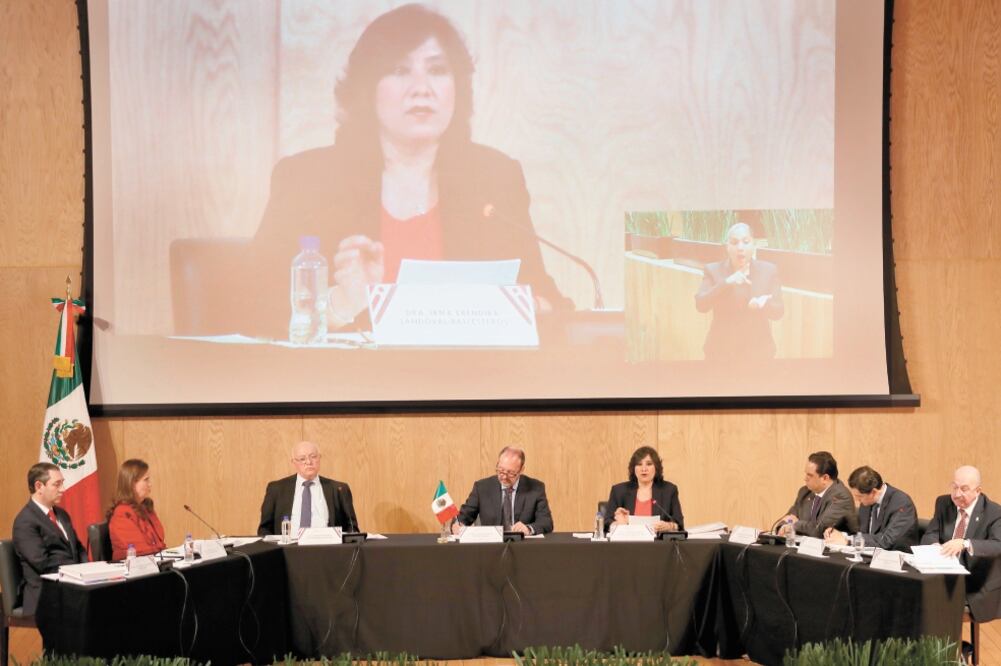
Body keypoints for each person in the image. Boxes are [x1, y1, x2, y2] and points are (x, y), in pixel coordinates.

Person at [247, 4, 571, 337]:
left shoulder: (494, 179)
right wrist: (340, 304)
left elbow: (544, 298)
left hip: (465, 383)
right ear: (367, 88)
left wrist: (531, 308)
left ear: (457, 88)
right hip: (350, 383)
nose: (422, 88)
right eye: (400, 70)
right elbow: (252, 311)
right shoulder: (308, 180)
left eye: (438, 70)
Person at [921, 465, 1001, 623]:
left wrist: (965, 543)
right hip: (942, 575)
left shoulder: (994, 512)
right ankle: (933, 647)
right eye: (954, 487)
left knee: (937, 603)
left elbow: (998, 545)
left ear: (978, 491)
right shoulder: (943, 503)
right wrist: (934, 546)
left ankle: (948, 646)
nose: (957, 494)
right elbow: (931, 533)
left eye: (964, 489)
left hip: (976, 582)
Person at [694, 222, 784, 361]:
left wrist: (763, 305)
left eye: (746, 242)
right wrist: (727, 282)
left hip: (759, 354)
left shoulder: (769, 270)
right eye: (734, 243)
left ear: (754, 245)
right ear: (727, 247)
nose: (740, 247)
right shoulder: (713, 270)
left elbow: (778, 311)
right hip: (721, 354)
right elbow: (701, 304)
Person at [12, 463, 86, 615]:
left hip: (71, 586)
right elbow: (43, 563)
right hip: (47, 593)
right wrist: (77, 573)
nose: (63, 489)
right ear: (39, 486)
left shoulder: (62, 515)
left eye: (62, 483)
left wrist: (89, 571)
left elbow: (78, 548)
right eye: (57, 484)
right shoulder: (25, 522)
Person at [258, 440, 359, 536]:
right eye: (302, 459)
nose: (309, 462)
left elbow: (352, 527)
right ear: (293, 462)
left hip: (327, 548)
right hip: (288, 549)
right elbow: (264, 529)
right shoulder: (277, 489)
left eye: (313, 457)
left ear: (319, 458)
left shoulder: (339, 489)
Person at [453, 446, 553, 535]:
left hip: (523, 548)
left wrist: (528, 529)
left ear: (521, 470)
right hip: (491, 548)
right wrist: (457, 525)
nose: (504, 477)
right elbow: (463, 518)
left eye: (511, 473)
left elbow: (546, 522)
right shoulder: (482, 487)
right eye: (500, 471)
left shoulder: (536, 488)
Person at [823, 465, 918, 551]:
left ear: (874, 492)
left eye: (859, 497)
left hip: (896, 560)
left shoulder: (901, 503)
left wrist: (848, 540)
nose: (857, 500)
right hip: (870, 556)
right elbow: (864, 534)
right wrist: (841, 536)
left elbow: (886, 541)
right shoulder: (867, 501)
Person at [603, 446, 683, 533]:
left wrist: (669, 526)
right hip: (627, 543)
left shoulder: (669, 490)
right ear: (633, 468)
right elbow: (606, 524)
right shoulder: (619, 491)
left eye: (649, 464)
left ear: (656, 467)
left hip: (658, 545)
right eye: (639, 464)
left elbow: (679, 524)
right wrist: (619, 524)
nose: (644, 469)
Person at [778, 451, 857, 538]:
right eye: (806, 474)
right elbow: (788, 518)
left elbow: (819, 530)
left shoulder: (840, 496)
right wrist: (785, 525)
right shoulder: (805, 492)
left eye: (810, 475)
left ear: (825, 478)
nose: (805, 478)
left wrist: (794, 524)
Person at [107, 459, 167, 561]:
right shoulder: (122, 514)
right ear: (132, 483)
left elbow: (159, 542)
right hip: (135, 570)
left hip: (151, 564)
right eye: (146, 480)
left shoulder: (146, 508)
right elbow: (140, 550)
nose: (150, 484)